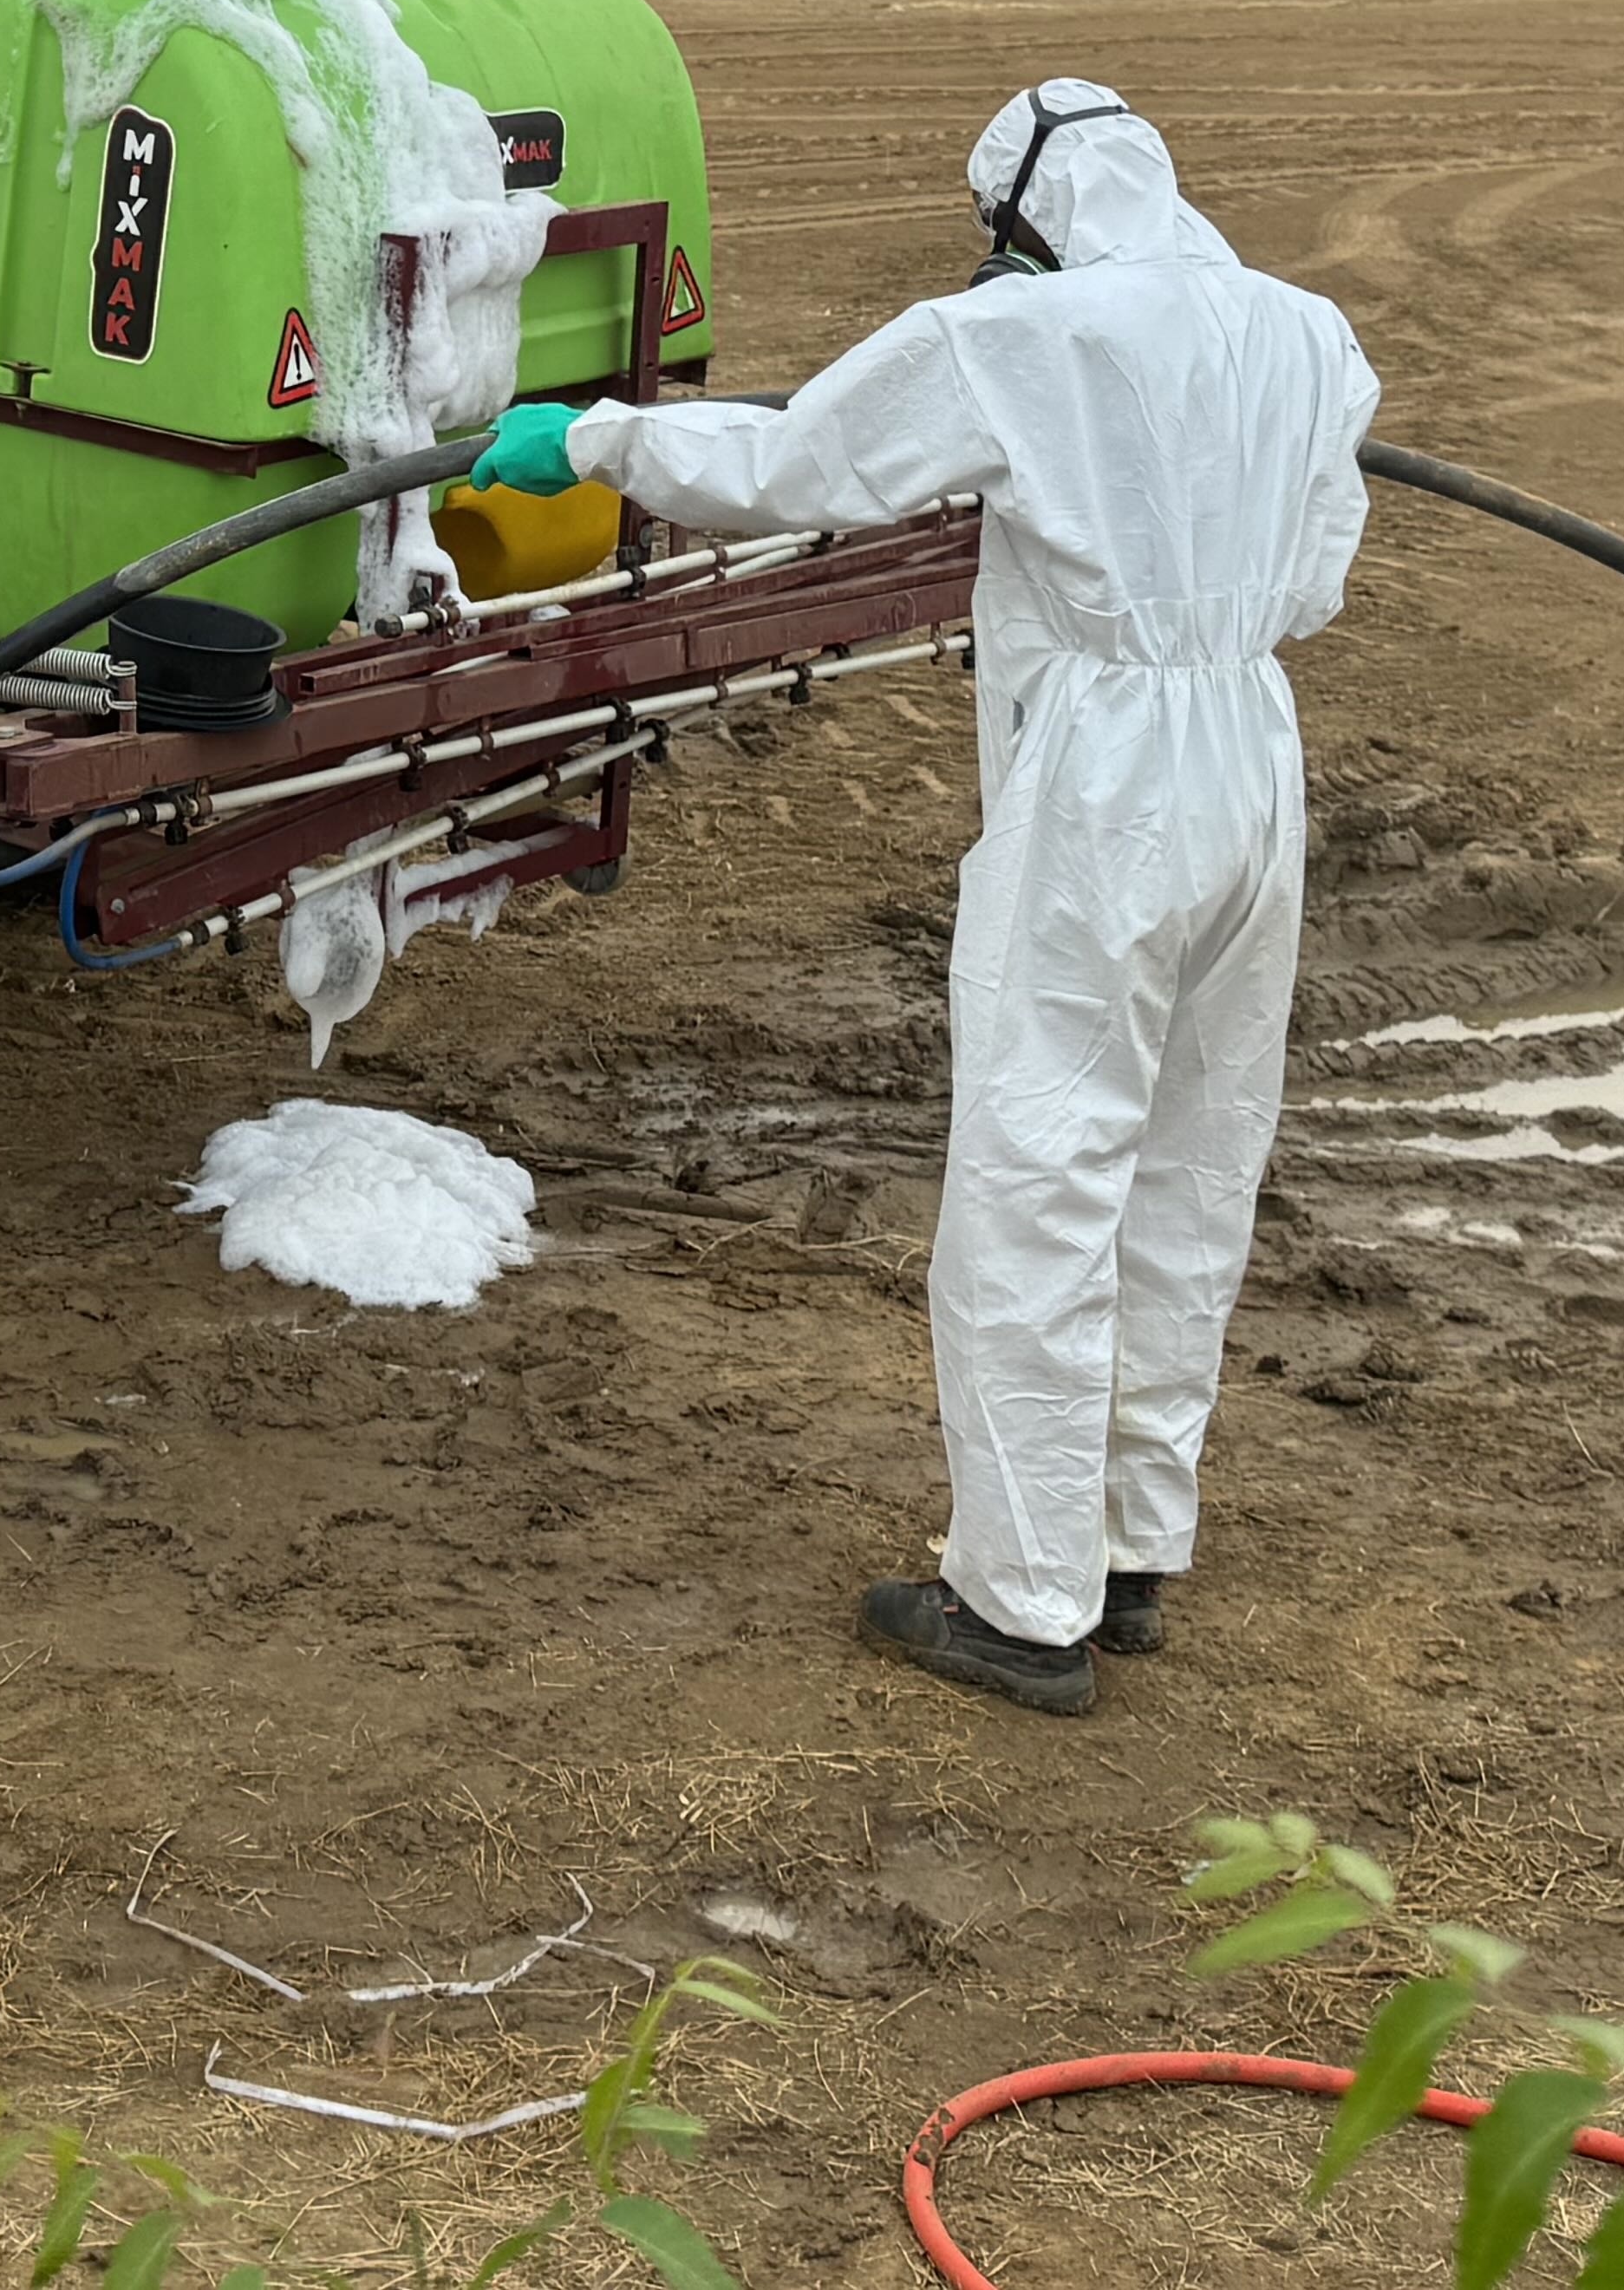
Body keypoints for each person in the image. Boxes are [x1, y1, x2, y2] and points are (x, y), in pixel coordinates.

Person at [470, 84, 1379, 1714]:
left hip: (1109, 779)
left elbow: (797, 463)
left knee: (1044, 1168)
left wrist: (592, 442)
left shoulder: (1026, 339)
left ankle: (1026, 1605)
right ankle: (1131, 1539)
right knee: (1193, 1152)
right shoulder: (1307, 334)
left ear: (1021, 220)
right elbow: (1314, 577)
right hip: (1250, 743)